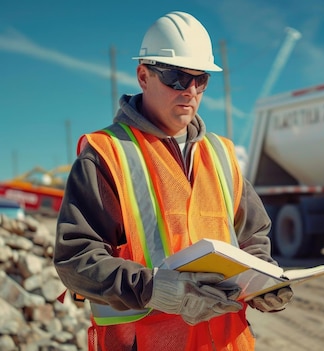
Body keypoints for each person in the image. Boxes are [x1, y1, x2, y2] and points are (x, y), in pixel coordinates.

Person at [53, 11, 292, 351]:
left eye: (201, 79)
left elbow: (252, 237)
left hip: (223, 342)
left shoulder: (222, 155)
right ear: (143, 76)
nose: (190, 90)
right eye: (176, 77)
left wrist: (264, 283)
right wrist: (152, 289)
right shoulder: (106, 155)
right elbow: (76, 258)